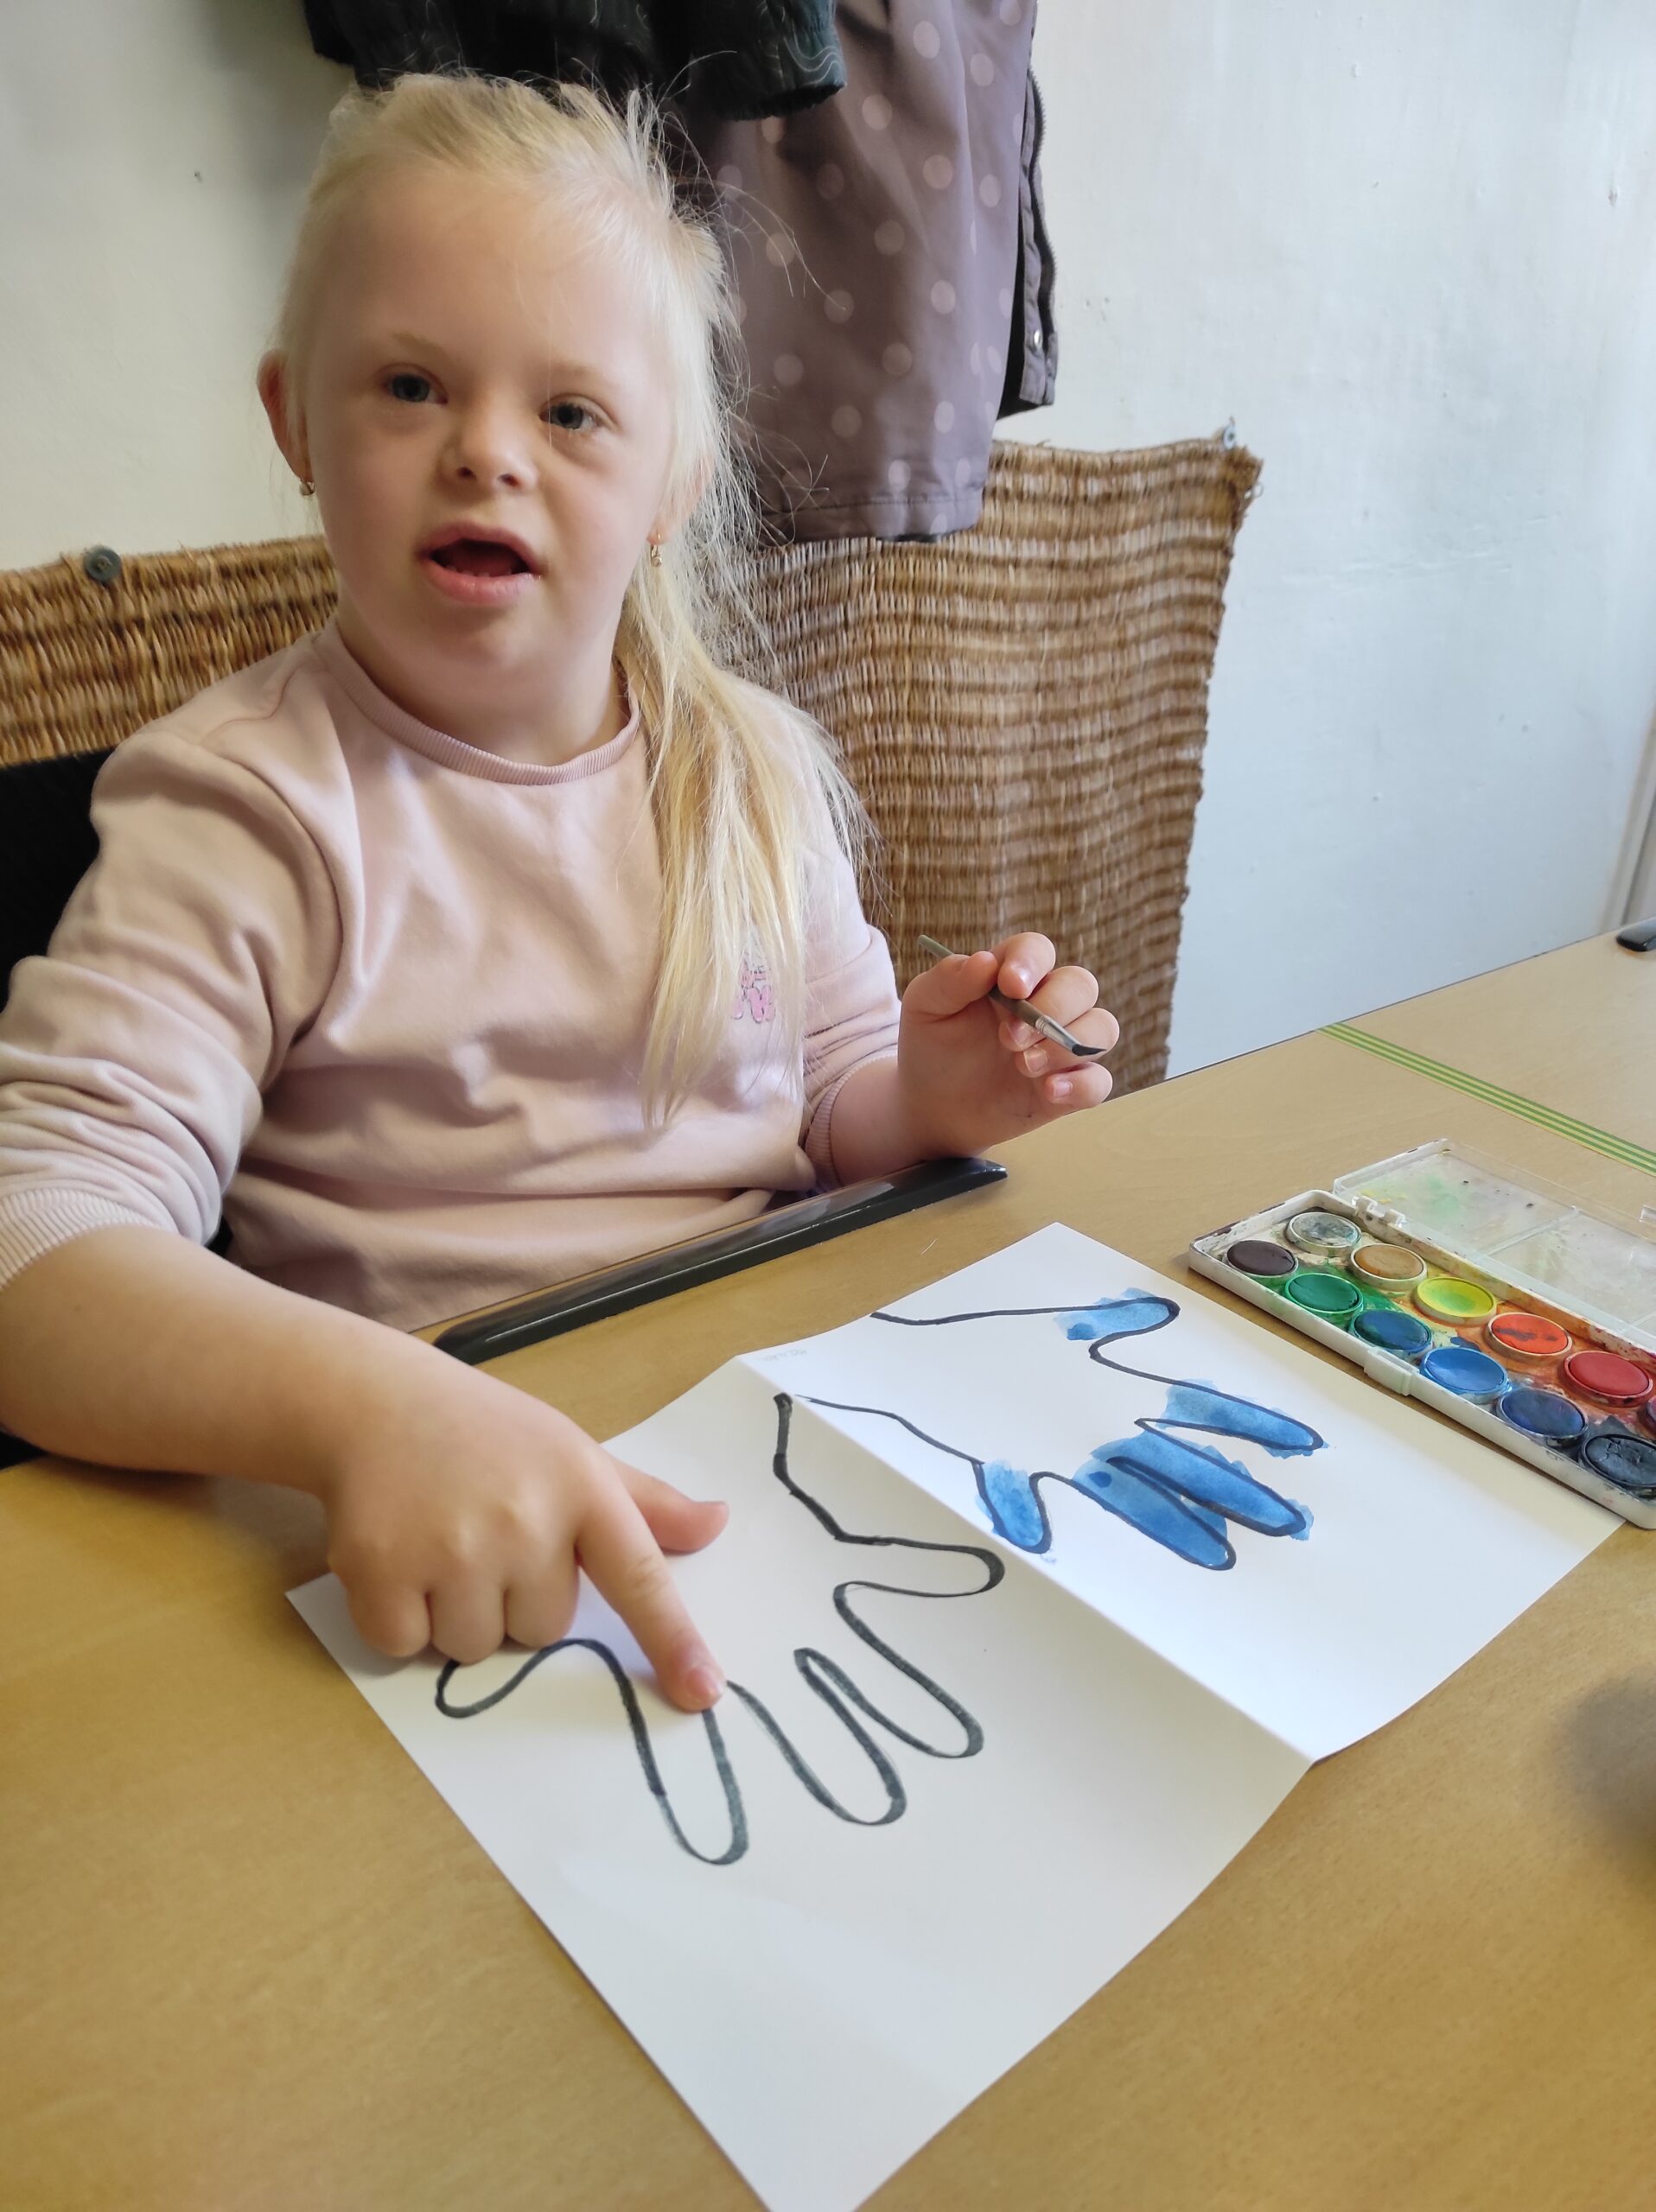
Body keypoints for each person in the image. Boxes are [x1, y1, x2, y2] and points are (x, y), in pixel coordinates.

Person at [0, 73, 1116, 1709]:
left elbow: (829, 1107)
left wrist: (936, 1094)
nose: (485, 453)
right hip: (434, 1514)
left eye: (574, 413)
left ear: (673, 483)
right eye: (409, 385)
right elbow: (34, 1242)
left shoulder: (749, 771)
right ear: (296, 423)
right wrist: (369, 1412)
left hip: (772, 1445)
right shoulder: (247, 809)